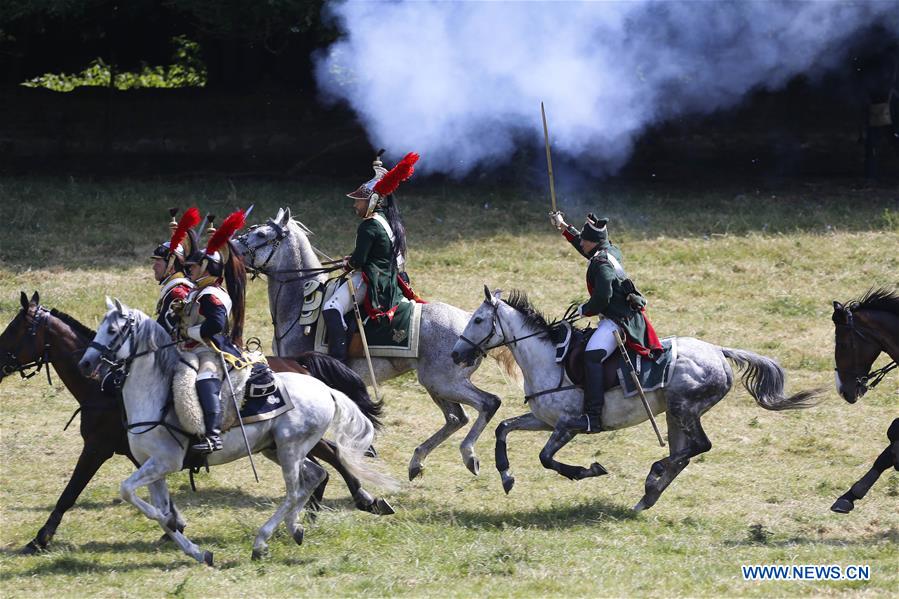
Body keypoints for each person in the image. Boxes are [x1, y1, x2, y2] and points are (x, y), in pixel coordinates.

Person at [550, 210, 662, 433]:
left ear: (593, 242)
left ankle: (593, 417)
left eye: (584, 238)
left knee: (591, 356)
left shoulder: (601, 265)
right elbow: (587, 249)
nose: (581, 241)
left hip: (617, 321)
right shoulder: (609, 251)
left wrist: (585, 309)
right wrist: (564, 228)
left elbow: (603, 298)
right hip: (619, 315)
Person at [321, 150, 420, 361]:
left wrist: (349, 263)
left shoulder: (369, 226)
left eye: (359, 201)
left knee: (331, 308)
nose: (355, 204)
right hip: (389, 276)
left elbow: (360, 260)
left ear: (373, 200)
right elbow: (377, 252)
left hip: (373, 280)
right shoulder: (388, 220)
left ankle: (337, 362)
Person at [179, 210, 247, 453]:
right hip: (191, 349)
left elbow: (215, 325)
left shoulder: (212, 294)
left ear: (206, 266)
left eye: (193, 267)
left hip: (210, 350)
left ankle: (213, 434)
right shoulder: (198, 291)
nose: (189, 271)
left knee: (204, 378)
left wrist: (191, 332)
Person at [151, 208, 198, 338]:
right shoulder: (174, 288)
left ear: (171, 266)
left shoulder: (177, 293)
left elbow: (161, 334)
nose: (153, 268)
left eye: (158, 263)